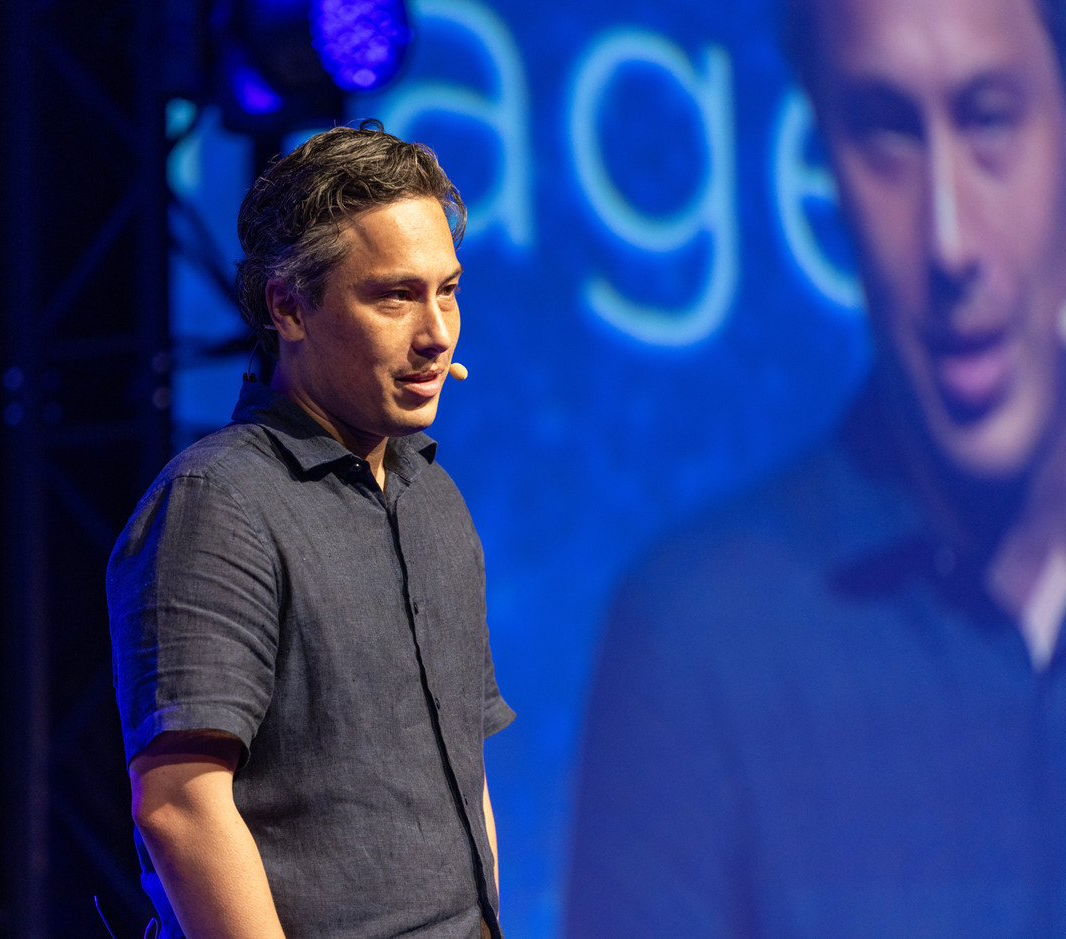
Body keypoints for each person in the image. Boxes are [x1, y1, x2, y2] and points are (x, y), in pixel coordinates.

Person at [567, 0, 1066, 934]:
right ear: (824, 166)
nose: (950, 240)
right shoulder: (701, 640)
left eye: (990, 117)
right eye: (886, 133)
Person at [108, 121, 514, 938]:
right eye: (396, 295)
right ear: (288, 305)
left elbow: (463, 781)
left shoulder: (434, 499)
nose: (436, 332)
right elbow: (181, 806)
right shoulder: (218, 502)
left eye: (449, 289)